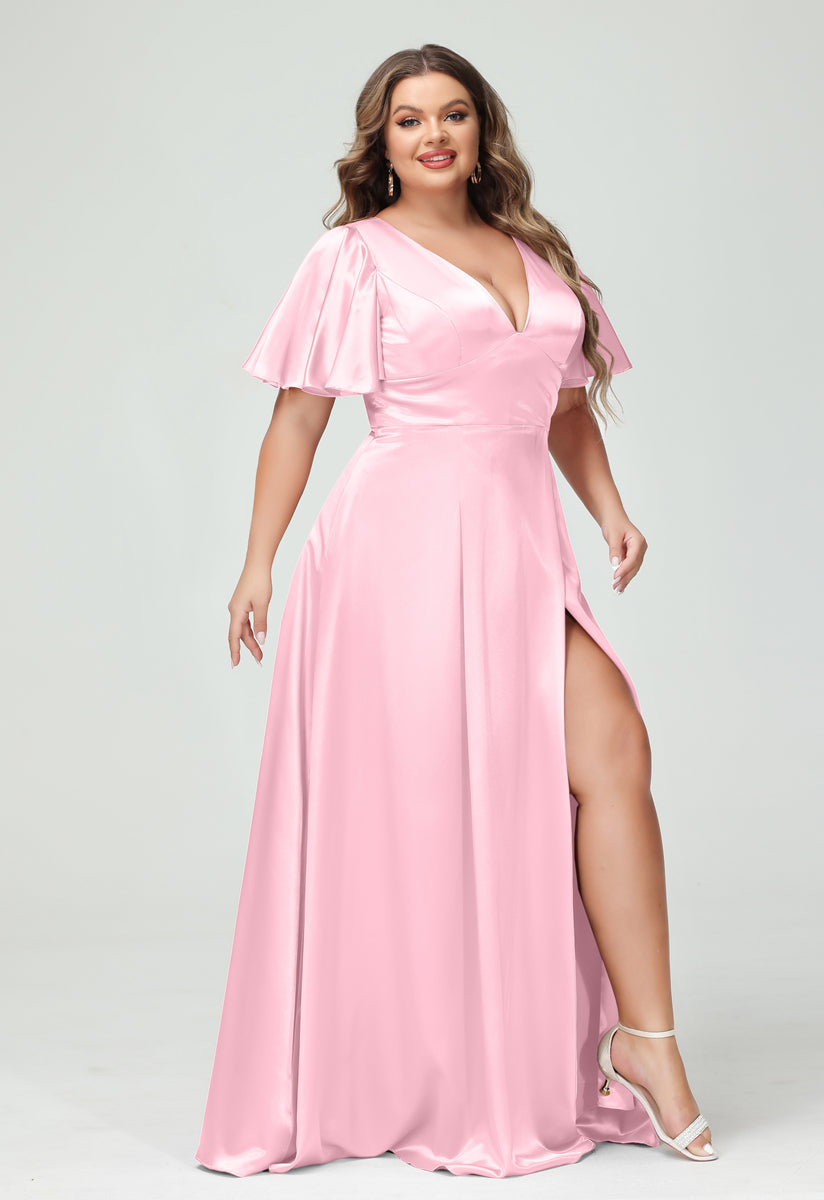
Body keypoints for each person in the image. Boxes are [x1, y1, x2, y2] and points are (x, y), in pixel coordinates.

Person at [195, 43, 717, 1179]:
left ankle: (647, 1039)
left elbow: (564, 404)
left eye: (453, 114)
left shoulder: (537, 254)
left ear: (483, 132)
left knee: (614, 753)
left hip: (520, 547)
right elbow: (300, 416)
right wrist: (256, 563)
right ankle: (424, 1064)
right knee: (434, 810)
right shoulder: (352, 256)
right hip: (395, 557)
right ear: (380, 144)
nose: (433, 134)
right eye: (408, 119)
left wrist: (612, 511)